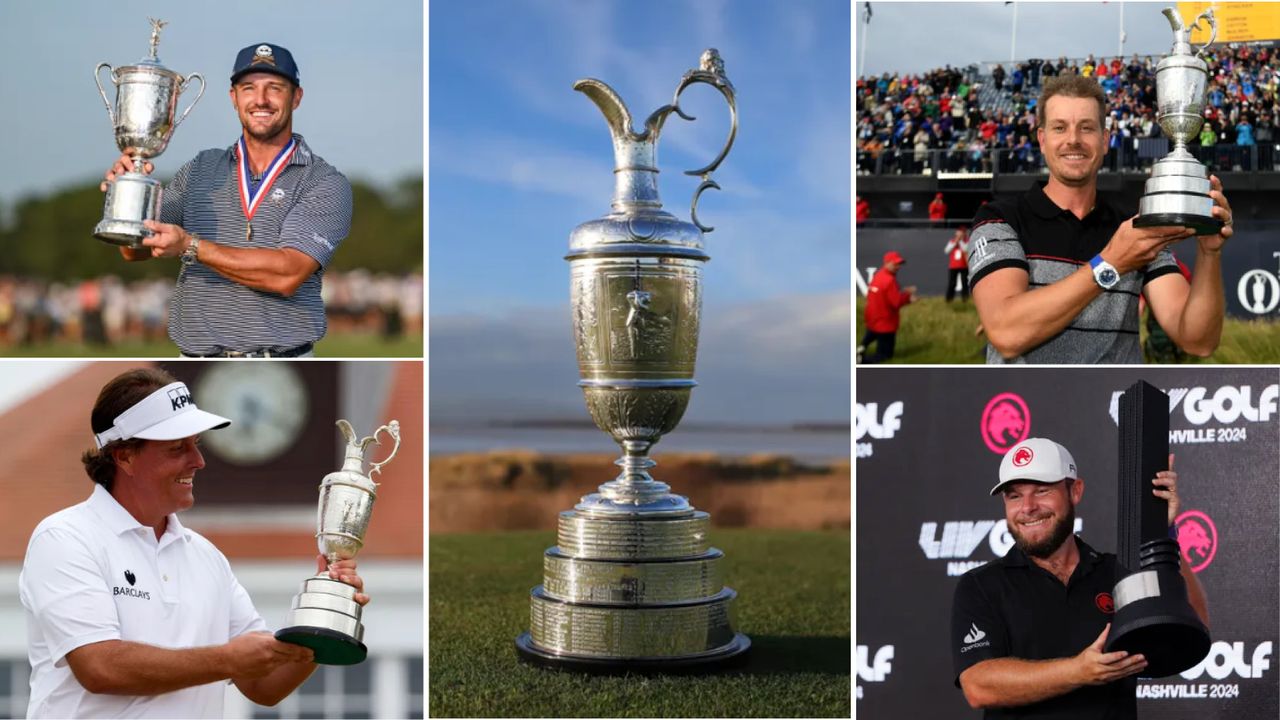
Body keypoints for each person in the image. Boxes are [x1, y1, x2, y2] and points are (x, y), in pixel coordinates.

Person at [18, 368, 369, 718]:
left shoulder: (206, 557)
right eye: (177, 448)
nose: (198, 461)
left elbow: (264, 686)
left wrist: (324, 617)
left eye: (196, 444)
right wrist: (228, 658)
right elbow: (100, 667)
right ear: (123, 455)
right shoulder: (65, 538)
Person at [101, 44, 353, 358]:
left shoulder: (324, 181)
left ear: (296, 97)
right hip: (192, 359)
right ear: (234, 98)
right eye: (249, 88)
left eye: (275, 88)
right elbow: (135, 249)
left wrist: (191, 247)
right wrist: (130, 191)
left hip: (280, 359)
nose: (261, 100)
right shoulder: (201, 168)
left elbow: (287, 274)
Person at [967, 75, 1232, 363]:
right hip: (1029, 406)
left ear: (1105, 140)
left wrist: (1209, 253)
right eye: (1060, 128)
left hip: (1118, 406)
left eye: (1087, 128)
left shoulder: (1135, 227)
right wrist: (1112, 263)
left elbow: (1198, 340)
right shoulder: (999, 220)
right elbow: (1007, 333)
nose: (1073, 140)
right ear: (1042, 140)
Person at [952, 438, 1209, 718]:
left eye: (1041, 490)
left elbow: (1191, 623)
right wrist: (1079, 671)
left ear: (1075, 491)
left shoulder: (1117, 571)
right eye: (1014, 496)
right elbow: (979, 686)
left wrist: (1164, 531)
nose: (1027, 507)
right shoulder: (982, 585)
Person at [859, 251, 915, 364]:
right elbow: (896, 302)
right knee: (884, 355)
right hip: (886, 323)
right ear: (887, 263)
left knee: (871, 335)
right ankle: (861, 361)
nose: (898, 267)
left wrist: (901, 292)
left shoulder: (878, 276)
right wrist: (909, 297)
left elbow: (878, 295)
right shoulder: (890, 281)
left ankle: (860, 349)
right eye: (895, 264)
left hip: (873, 318)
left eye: (899, 264)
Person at [944, 227, 970, 302]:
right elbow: (947, 251)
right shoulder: (952, 241)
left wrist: (960, 241)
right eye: (958, 232)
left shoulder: (966, 241)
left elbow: (965, 249)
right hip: (953, 266)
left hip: (963, 266)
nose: (960, 233)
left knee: (964, 283)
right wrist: (955, 242)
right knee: (952, 283)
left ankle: (965, 299)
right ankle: (949, 299)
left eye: (961, 232)